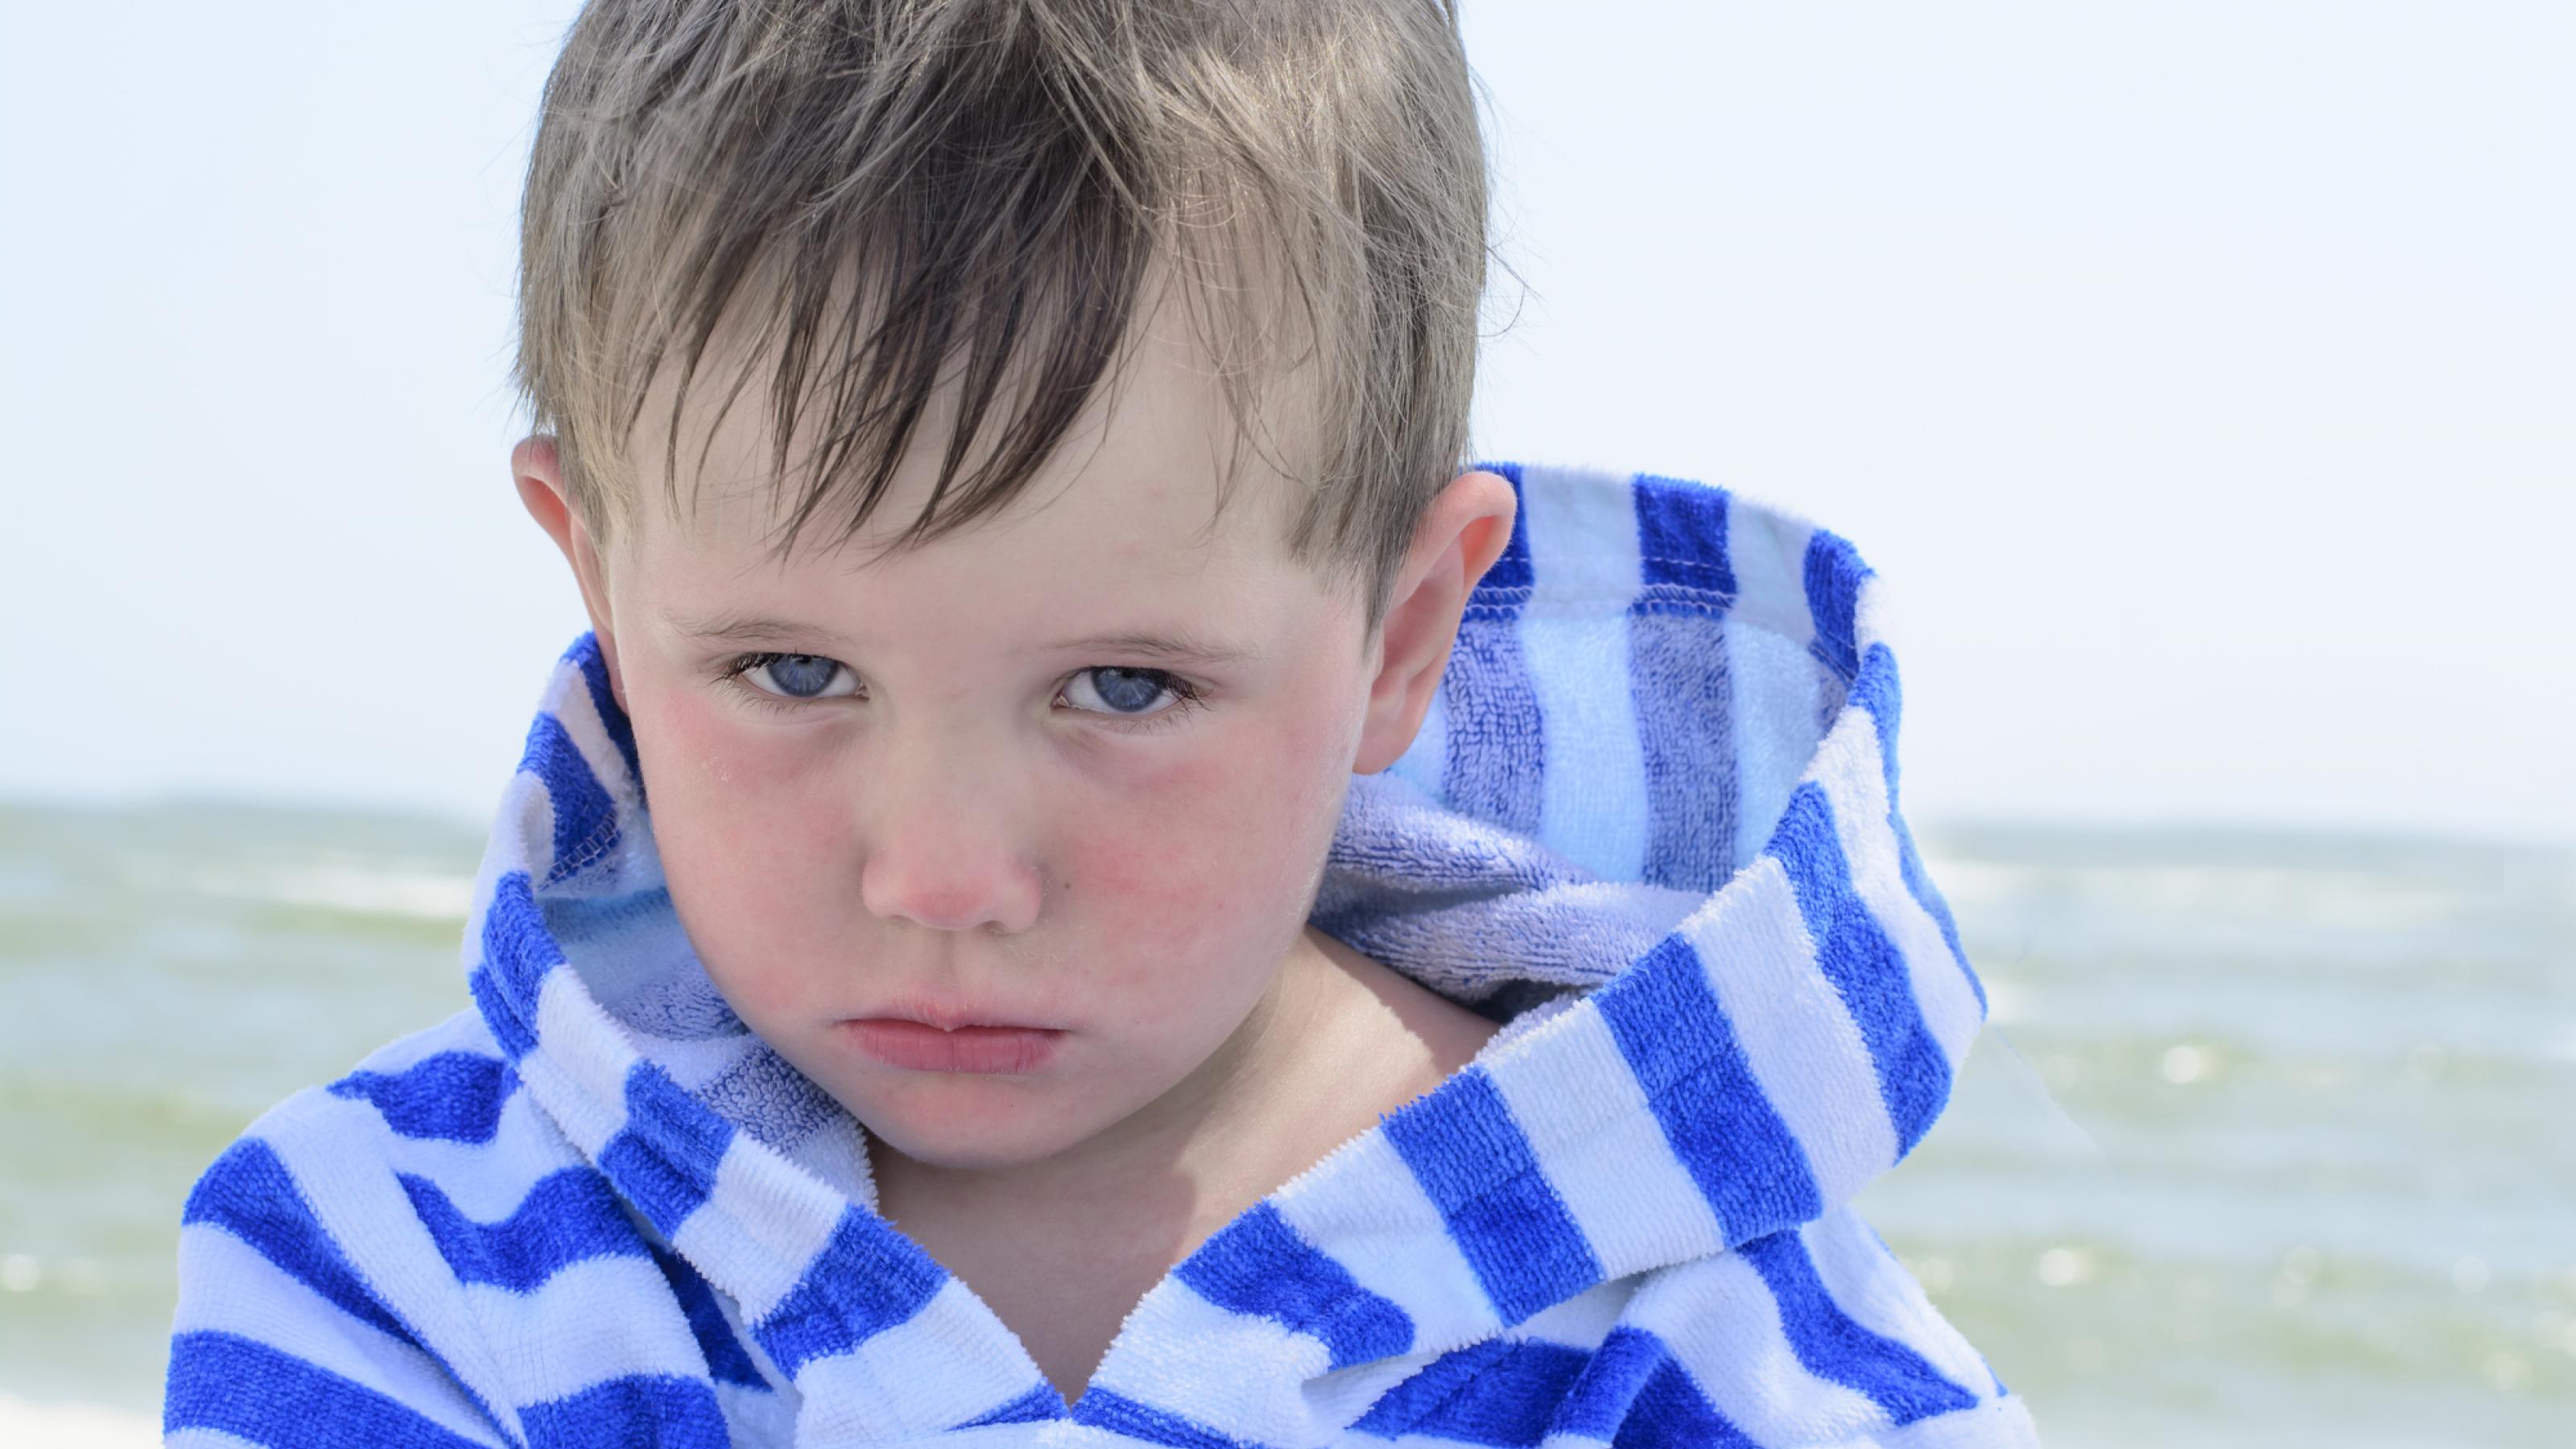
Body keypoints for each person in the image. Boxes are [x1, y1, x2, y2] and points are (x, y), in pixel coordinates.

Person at [162, 0, 2041, 1443]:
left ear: (1402, 633)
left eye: (1125, 688)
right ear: (597, 580)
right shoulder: (390, 1265)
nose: (948, 876)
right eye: (793, 673)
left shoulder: (1717, 1346)